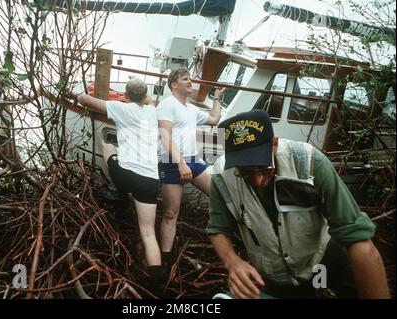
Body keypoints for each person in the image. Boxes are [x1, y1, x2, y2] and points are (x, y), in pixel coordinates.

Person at [207, 109, 390, 299]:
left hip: (321, 259)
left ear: (274, 144)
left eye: (264, 169)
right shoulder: (222, 176)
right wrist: (233, 262)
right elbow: (217, 228)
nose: (258, 181)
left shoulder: (310, 162)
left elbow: (356, 236)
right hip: (274, 272)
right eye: (245, 173)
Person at [75, 78, 164, 295]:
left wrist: (75, 95)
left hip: (125, 176)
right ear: (145, 96)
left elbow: (85, 99)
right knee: (148, 232)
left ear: (126, 95)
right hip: (150, 181)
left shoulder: (119, 108)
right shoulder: (153, 111)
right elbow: (151, 101)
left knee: (108, 146)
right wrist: (144, 98)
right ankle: (157, 286)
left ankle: (121, 195)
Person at [156, 67, 224, 273]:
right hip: (173, 163)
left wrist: (217, 98)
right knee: (170, 213)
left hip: (193, 161)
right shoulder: (167, 105)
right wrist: (180, 163)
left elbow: (214, 119)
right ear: (174, 85)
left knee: (220, 195)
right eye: (185, 79)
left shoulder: (191, 109)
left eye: (190, 78)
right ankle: (165, 260)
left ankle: (228, 236)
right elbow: (165, 136)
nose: (190, 81)